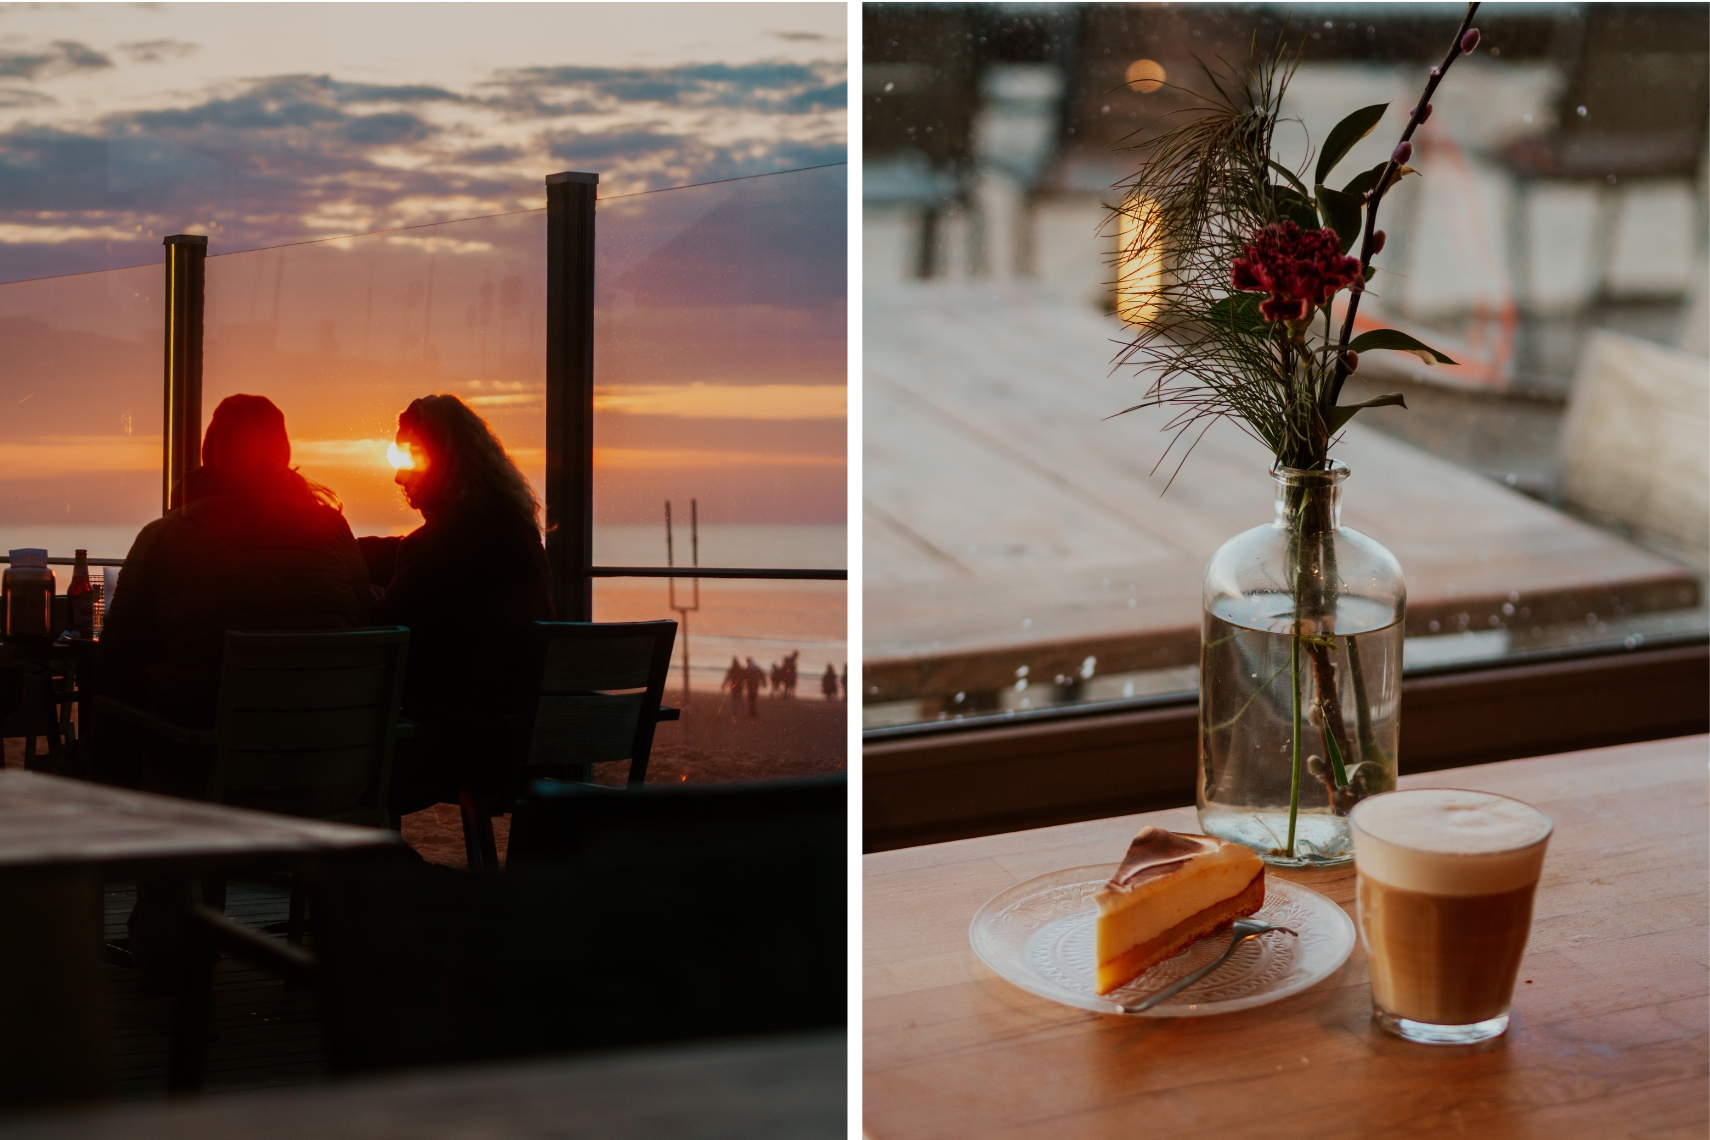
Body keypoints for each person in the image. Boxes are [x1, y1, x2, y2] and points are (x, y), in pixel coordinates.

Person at [97, 393, 372, 990]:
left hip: (211, 775)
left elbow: (117, 661)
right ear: (285, 454)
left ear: (209, 456)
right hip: (330, 773)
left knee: (148, 737)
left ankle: (168, 952)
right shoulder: (333, 531)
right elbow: (365, 619)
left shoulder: (167, 538)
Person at [357, 394, 553, 814]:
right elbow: (405, 556)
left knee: (341, 761)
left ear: (440, 461)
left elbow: (383, 637)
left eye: (409, 459)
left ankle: (369, 874)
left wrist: (361, 591)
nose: (397, 477)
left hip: (463, 753)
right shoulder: (516, 534)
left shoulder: (440, 548)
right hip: (526, 747)